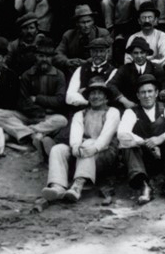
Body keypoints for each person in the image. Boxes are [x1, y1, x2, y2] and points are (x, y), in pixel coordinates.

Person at [40, 78, 120, 206]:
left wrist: (94, 147)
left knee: (88, 144)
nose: (96, 97)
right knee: (58, 149)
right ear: (88, 97)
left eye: (100, 93)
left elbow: (106, 137)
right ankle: (58, 185)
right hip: (83, 153)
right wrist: (75, 146)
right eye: (92, 94)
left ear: (106, 97)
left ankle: (78, 186)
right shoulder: (80, 114)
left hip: (104, 154)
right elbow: (76, 134)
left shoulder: (113, 112)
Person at [116, 73, 165, 205]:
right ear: (138, 95)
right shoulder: (131, 112)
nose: (147, 95)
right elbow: (122, 133)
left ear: (156, 93)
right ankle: (144, 187)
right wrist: (146, 143)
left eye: (150, 91)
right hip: (144, 160)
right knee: (127, 145)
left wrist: (161, 138)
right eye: (142, 92)